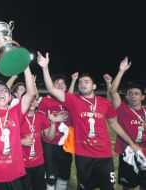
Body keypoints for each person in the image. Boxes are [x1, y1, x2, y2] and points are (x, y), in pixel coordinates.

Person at [37, 51, 141, 190]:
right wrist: (45, 67)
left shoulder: (104, 103)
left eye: (86, 82)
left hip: (104, 156)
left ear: (94, 86)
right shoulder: (73, 100)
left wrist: (131, 144)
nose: (82, 84)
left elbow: (114, 124)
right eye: (80, 82)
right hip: (83, 156)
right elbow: (51, 88)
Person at [0, 37, 36, 190]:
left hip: (13, 174)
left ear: (10, 97)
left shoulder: (16, 112)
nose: (2, 92)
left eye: (5, 90)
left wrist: (24, 65)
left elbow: (30, 93)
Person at [109, 57, 146, 190]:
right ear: (126, 97)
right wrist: (121, 71)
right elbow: (112, 91)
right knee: (128, 187)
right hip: (128, 153)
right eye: (130, 94)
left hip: (145, 153)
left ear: (142, 97)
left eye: (136, 94)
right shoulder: (122, 109)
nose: (133, 96)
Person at [38, 73, 77, 190]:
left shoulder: (69, 100)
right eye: (57, 83)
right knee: (50, 177)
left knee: (64, 176)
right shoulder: (45, 101)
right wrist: (53, 120)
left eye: (62, 83)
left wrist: (74, 80)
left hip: (66, 144)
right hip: (50, 145)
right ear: (52, 87)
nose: (60, 85)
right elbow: (42, 124)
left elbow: (69, 94)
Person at [20, 97, 66, 190]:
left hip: (39, 163)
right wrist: (21, 141)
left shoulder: (41, 116)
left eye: (34, 100)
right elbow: (8, 139)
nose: (32, 102)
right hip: (22, 164)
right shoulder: (17, 117)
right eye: (30, 100)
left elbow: (50, 137)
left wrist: (53, 123)